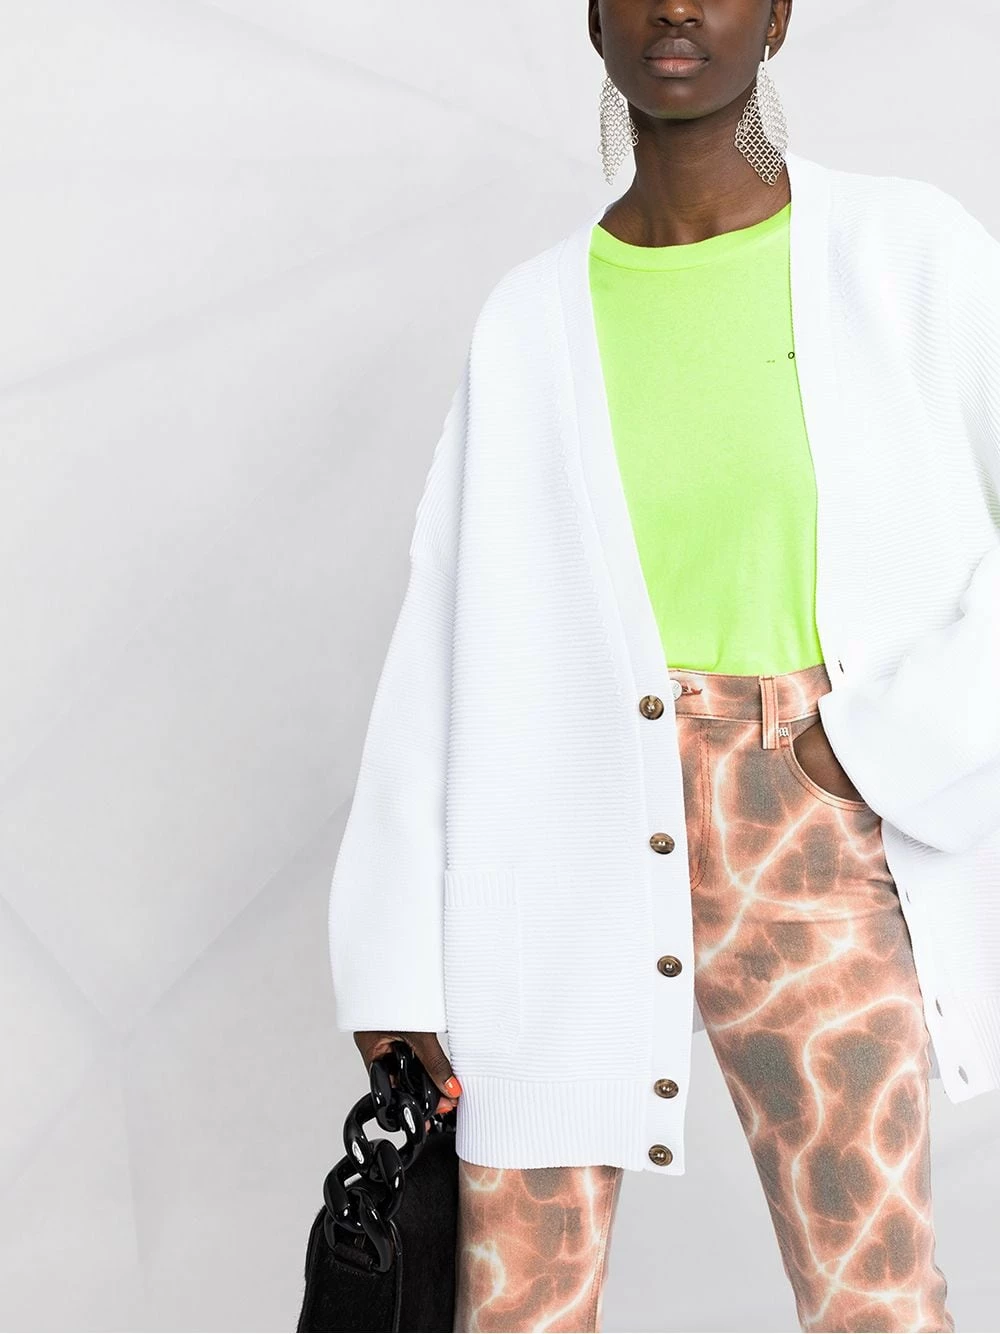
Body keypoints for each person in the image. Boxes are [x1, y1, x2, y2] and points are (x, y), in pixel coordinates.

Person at [328, 2, 1000, 1329]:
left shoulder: (905, 251)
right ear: (593, 18)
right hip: (559, 828)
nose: (676, 7)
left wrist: (866, 746)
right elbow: (446, 636)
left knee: (870, 1294)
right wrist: (393, 956)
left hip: (808, 822)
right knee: (519, 1297)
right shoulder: (531, 319)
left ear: (779, 14)